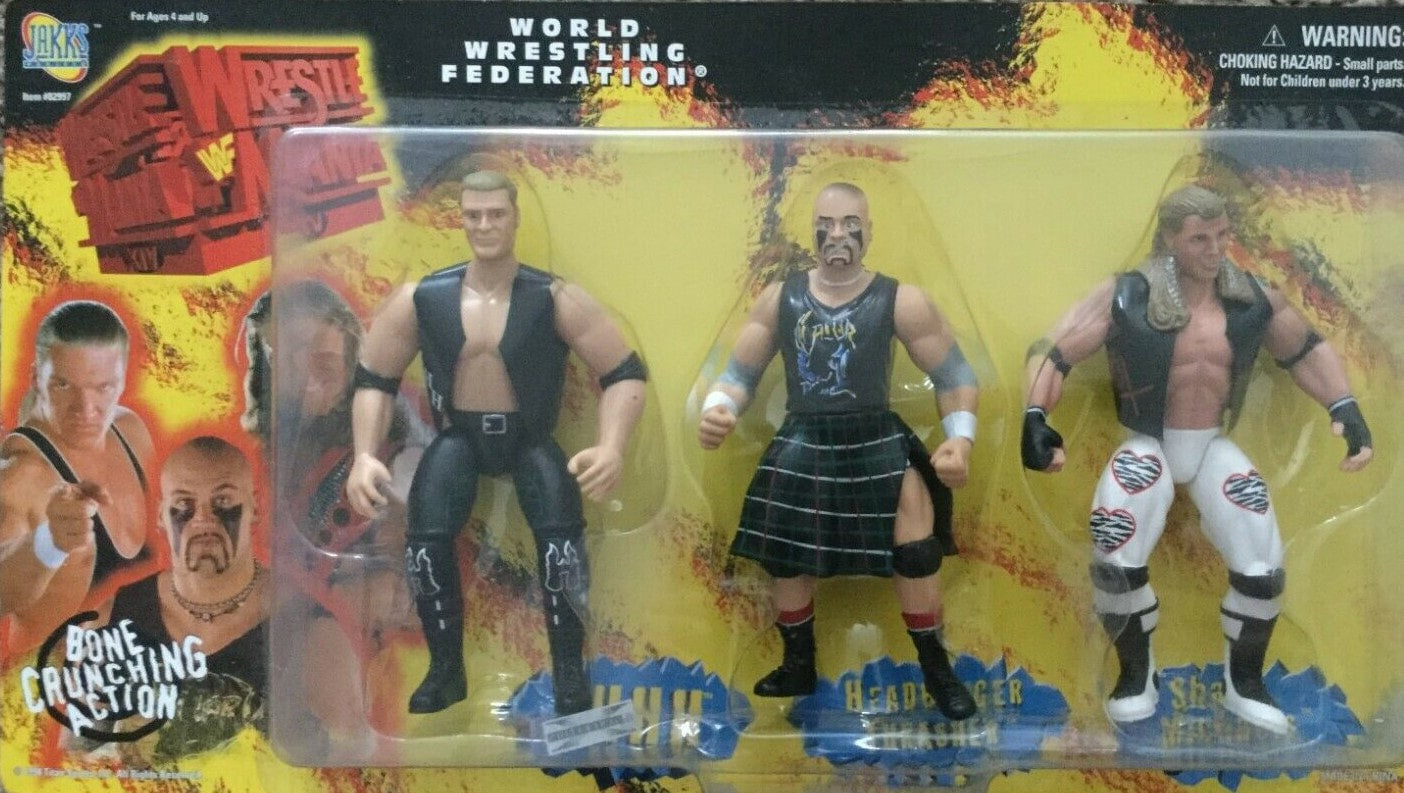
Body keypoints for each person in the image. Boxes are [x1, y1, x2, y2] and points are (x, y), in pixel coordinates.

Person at [1022, 185, 1373, 734]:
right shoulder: (1126, 296)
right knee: (1114, 554)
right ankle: (1135, 676)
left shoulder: (1252, 298)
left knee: (1262, 564)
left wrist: (1344, 406)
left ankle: (1245, 683)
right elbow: (1055, 350)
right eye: (1199, 239)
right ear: (1169, 238)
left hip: (1212, 444)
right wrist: (1035, 415)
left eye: (1222, 235)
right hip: (1148, 441)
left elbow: (1305, 347)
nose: (1215, 249)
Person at [347, 169, 647, 716]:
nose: (484, 225)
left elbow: (624, 371)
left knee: (562, 550)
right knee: (424, 545)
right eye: (473, 214)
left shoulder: (552, 297)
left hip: (530, 437)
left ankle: (570, 674)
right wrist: (365, 454)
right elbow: (374, 377)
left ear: (515, 218)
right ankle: (445, 672)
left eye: (496, 214)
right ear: (459, 219)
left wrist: (612, 447)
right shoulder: (424, 297)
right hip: (458, 436)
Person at [698, 182, 979, 721]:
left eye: (851, 223)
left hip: (876, 436)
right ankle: (797, 662)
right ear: (812, 232)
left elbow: (955, 375)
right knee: (784, 550)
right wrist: (719, 408)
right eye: (826, 224)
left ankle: (937, 669)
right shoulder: (780, 298)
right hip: (806, 435)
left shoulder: (901, 299)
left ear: (869, 230)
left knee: (917, 552)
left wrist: (960, 440)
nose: (838, 234)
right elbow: (737, 373)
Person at [241, 282, 417, 750]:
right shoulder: (254, 457)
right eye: (286, 360)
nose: (304, 376)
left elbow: (415, 586)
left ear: (351, 361)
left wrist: (358, 591)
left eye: (321, 359)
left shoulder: (391, 460)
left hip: (355, 660)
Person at [0, 301, 154, 651]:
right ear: (36, 379)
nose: (85, 410)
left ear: (123, 380)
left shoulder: (130, 430)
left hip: (146, 674)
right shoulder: (22, 476)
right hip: (50, 682)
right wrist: (49, 542)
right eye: (63, 385)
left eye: (103, 388)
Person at [106, 436, 267, 753]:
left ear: (255, 507)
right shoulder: (111, 621)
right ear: (160, 515)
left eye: (223, 502)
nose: (203, 520)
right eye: (183, 505)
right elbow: (73, 757)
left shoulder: (302, 624)